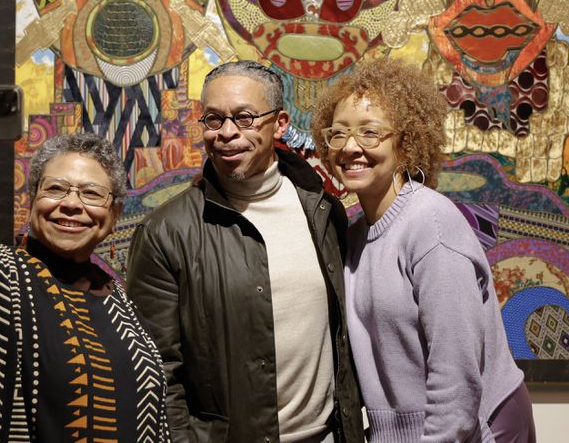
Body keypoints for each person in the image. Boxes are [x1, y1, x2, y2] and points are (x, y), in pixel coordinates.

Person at [0, 79, 170, 442]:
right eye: (55, 188)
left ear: (114, 214)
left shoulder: (122, 305)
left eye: (91, 193)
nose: (71, 203)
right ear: (33, 200)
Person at [126, 61, 364, 443]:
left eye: (245, 117)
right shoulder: (166, 232)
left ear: (281, 124)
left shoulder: (322, 210)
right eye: (214, 119)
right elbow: (156, 372)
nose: (227, 133)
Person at [310, 58, 536, 443]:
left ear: (406, 143)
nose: (350, 147)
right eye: (339, 134)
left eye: (370, 133)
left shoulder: (430, 224)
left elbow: (457, 376)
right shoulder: (353, 236)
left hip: (479, 428)